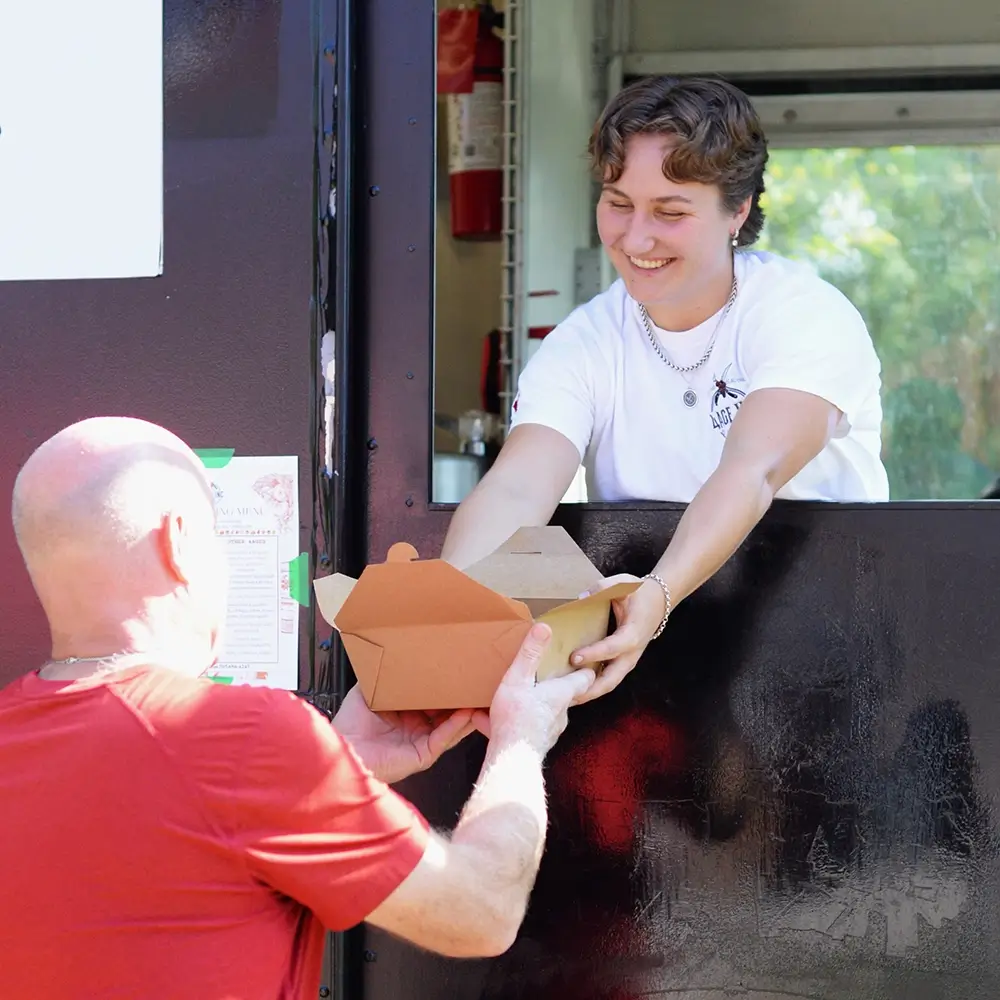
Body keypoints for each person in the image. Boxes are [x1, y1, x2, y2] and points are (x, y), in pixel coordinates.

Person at [1, 416, 596, 999]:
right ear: (178, 542)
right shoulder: (241, 737)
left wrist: (334, 766)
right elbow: (481, 912)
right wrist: (520, 740)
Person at [441, 74, 889, 704]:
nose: (636, 238)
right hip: (641, 660)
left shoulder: (804, 315)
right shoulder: (585, 341)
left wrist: (659, 592)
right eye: (618, 203)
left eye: (670, 212)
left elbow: (752, 471)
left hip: (822, 647)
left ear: (738, 210)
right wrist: (445, 614)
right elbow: (518, 485)